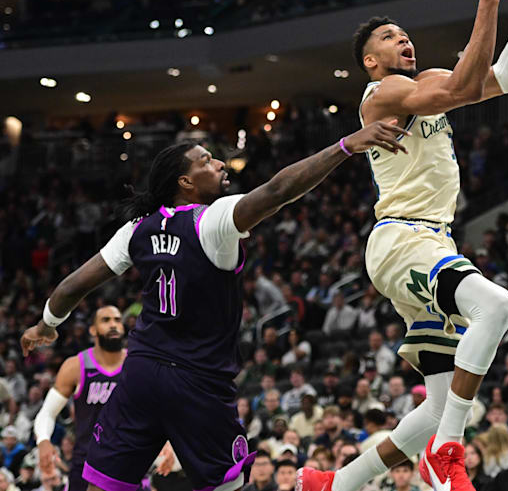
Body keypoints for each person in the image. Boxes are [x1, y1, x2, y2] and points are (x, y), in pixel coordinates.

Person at [19, 121, 408, 491]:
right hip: (197, 381)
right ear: (185, 182)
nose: (220, 163)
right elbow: (278, 191)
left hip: (140, 375)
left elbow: (72, 286)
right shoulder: (212, 220)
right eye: (206, 160)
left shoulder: (136, 228)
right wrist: (345, 146)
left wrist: (46, 325)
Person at [298, 0, 508, 491]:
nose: (404, 40)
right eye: (390, 37)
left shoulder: (426, 82)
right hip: (402, 239)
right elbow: (461, 91)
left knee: (439, 403)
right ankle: (446, 451)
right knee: (496, 306)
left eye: (405, 34)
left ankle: (338, 483)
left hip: (432, 240)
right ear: (370, 61)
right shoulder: (383, 93)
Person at [33, 306, 134, 491]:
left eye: (117, 320)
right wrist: (44, 441)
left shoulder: (136, 364)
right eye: (106, 320)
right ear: (93, 330)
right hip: (86, 463)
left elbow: (160, 409)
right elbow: (47, 413)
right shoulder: (75, 366)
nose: (113, 325)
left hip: (129, 462)